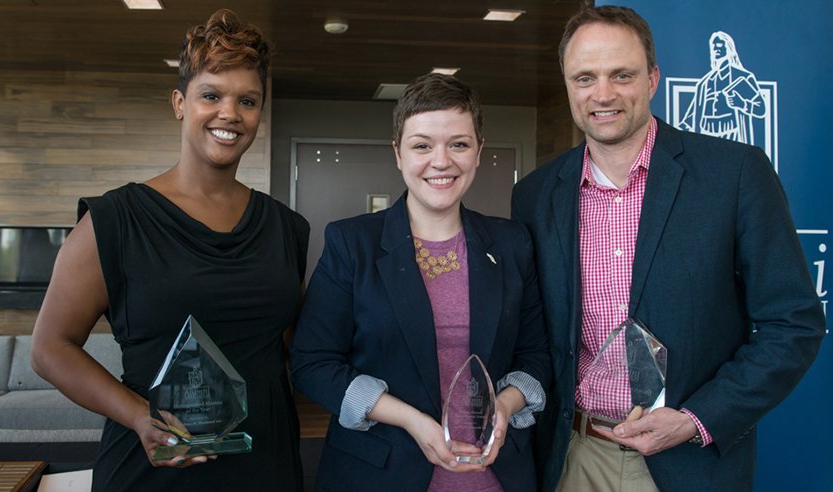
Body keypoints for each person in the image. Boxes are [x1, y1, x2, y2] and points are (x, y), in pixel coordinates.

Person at [511, 6, 825, 492]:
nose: (603, 94)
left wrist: (696, 419)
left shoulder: (735, 174)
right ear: (568, 85)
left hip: (689, 463)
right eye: (585, 77)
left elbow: (794, 323)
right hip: (574, 457)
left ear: (653, 79)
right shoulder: (534, 196)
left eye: (622, 74)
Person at [30, 9, 308, 491]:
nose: (230, 113)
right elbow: (49, 348)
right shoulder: (115, 220)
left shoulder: (287, 228)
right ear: (180, 103)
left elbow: (294, 347)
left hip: (265, 465)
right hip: (154, 468)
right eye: (210, 95)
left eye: (248, 100)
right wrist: (139, 417)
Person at [290, 73, 550, 492]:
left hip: (497, 478)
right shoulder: (352, 243)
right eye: (422, 145)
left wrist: (506, 405)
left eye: (459, 144)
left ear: (479, 152)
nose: (441, 161)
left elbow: (537, 354)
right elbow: (311, 365)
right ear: (398, 153)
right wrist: (410, 419)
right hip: (379, 474)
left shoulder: (512, 243)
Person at [679, 31, 767, 144]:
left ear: (729, 48)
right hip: (706, 137)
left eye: (720, 45)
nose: (716, 48)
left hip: (732, 135)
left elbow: (761, 109)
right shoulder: (704, 83)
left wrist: (742, 104)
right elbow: (691, 117)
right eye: (714, 46)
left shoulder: (742, 77)